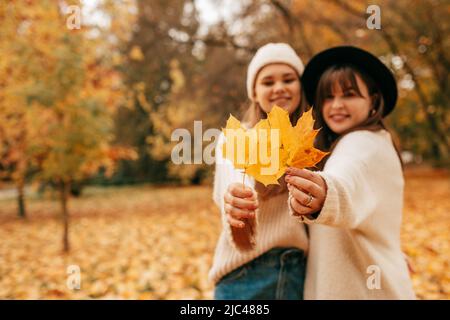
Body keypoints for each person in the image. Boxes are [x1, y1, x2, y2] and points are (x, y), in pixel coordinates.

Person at [285, 46, 416, 299]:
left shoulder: (361, 142)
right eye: (327, 97)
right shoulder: (372, 141)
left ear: (374, 100)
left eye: (349, 94)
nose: (336, 105)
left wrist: (323, 193)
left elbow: (346, 181)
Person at [209, 43, 310, 300]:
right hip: (243, 275)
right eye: (267, 82)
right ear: (254, 92)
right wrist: (237, 208)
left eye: (288, 79)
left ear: (301, 86)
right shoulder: (238, 136)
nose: (279, 87)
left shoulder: (311, 142)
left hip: (295, 275)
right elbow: (239, 230)